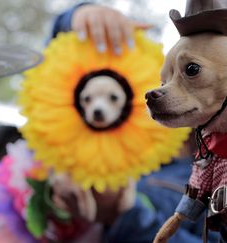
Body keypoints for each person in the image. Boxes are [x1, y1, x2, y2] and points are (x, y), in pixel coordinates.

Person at [48, 3, 218, 243]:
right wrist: (78, 18)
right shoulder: (94, 135)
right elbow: (53, 80)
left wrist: (126, 215)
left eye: (193, 71)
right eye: (168, 73)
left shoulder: (223, 176)